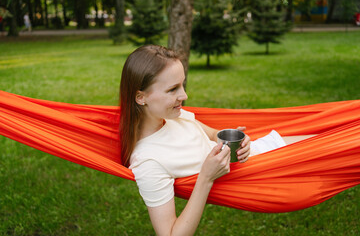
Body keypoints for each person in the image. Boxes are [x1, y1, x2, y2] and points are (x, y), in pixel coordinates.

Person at [119, 45, 312, 235]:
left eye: (182, 85)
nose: (184, 96)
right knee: (338, 152)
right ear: (140, 97)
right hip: (266, 178)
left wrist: (237, 140)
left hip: (264, 151)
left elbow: (213, 135)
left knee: (333, 142)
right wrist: (206, 177)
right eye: (172, 89)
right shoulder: (148, 162)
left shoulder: (175, 116)